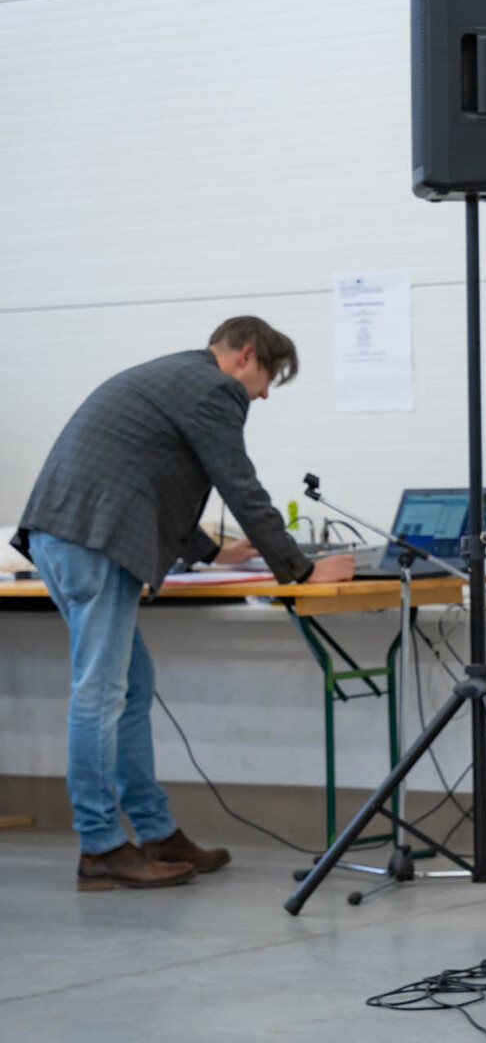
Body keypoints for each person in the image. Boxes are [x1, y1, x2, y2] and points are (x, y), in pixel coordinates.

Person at [11, 316, 356, 891]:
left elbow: (141, 475)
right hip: (93, 542)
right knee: (100, 692)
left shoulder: (176, 377)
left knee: (131, 683)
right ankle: (100, 846)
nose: (264, 395)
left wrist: (211, 552)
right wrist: (301, 569)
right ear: (247, 355)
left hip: (66, 535)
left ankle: (156, 833)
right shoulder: (216, 389)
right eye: (269, 379)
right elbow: (239, 485)